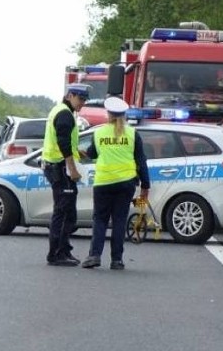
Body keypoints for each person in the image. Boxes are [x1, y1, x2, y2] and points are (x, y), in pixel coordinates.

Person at [81, 97, 150, 271]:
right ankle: (117, 260)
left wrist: (82, 153)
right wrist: (145, 186)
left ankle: (94, 255)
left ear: (108, 114)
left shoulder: (99, 133)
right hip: (126, 183)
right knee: (119, 221)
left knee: (100, 220)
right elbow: (141, 161)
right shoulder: (133, 134)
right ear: (124, 115)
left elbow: (92, 153)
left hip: (103, 182)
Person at [42, 83, 89, 266]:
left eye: (84, 100)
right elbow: (62, 143)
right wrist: (73, 169)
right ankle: (56, 254)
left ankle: (62, 250)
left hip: (56, 166)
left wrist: (77, 151)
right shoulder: (64, 114)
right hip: (60, 168)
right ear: (69, 95)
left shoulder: (60, 111)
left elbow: (64, 140)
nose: (82, 103)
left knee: (67, 212)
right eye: (80, 98)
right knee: (64, 213)